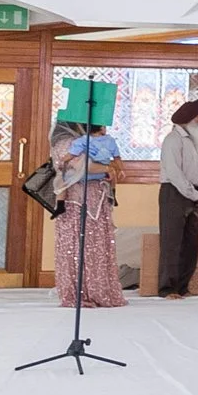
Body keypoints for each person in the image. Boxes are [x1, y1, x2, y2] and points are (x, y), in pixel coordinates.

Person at [53, 118, 124, 309]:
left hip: (96, 198)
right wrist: (108, 167)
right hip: (76, 203)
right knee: (79, 246)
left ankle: (99, 290)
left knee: (97, 245)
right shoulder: (66, 143)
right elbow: (83, 166)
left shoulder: (89, 140)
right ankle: (81, 293)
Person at [156, 98, 198, 298]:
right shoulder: (173, 139)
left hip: (194, 194)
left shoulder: (196, 141)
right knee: (172, 242)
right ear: (188, 119)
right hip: (175, 193)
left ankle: (182, 286)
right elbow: (174, 173)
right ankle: (167, 289)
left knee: (190, 243)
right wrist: (196, 195)